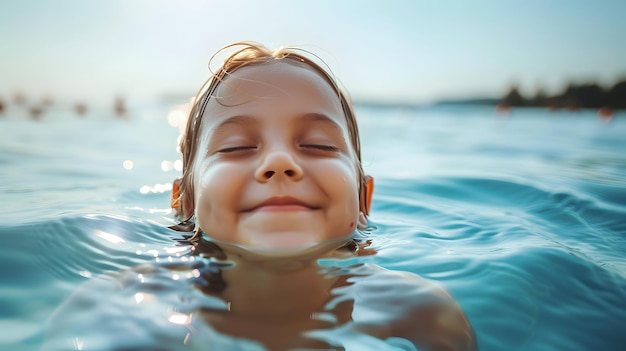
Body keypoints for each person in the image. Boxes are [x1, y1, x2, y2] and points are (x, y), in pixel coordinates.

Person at [44, 42, 478, 351]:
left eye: (320, 145)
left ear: (364, 200)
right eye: (235, 147)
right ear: (185, 202)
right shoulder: (112, 307)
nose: (280, 162)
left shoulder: (423, 312)